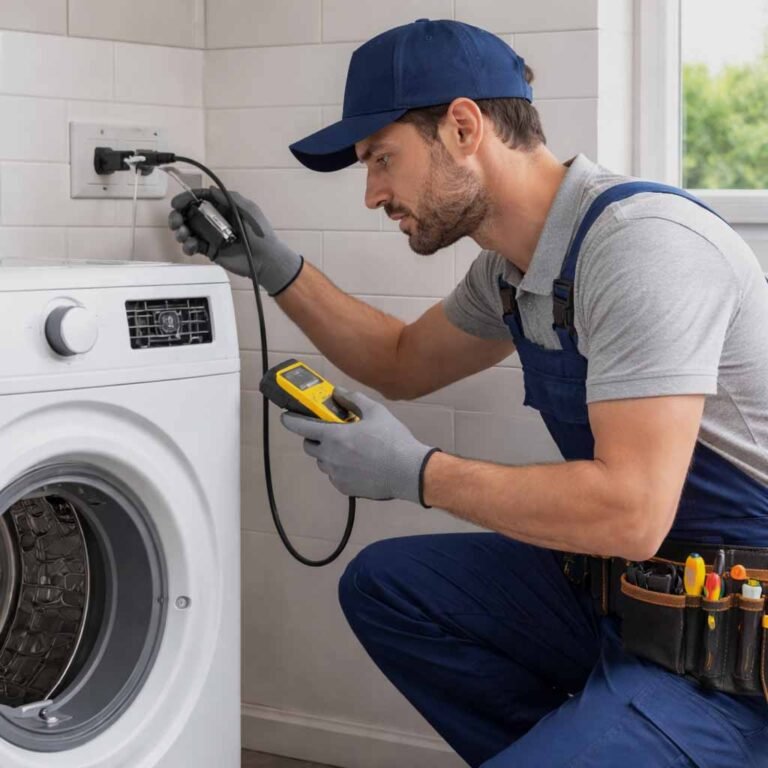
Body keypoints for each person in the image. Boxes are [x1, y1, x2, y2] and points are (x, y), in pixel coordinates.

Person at [169, 19, 768, 767]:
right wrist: (276, 268)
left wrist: (419, 474)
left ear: (462, 127)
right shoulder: (516, 272)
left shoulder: (640, 247)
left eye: (382, 159)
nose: (372, 193)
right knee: (389, 587)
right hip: (628, 593)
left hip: (731, 645)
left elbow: (631, 510)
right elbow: (399, 360)